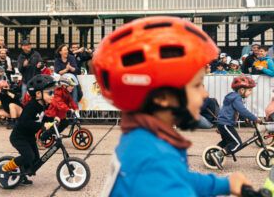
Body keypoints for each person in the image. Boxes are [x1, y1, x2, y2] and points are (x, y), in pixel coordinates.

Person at [94, 16, 251, 197]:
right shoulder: (153, 160)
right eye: (197, 85)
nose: (205, 94)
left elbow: (178, 177)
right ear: (162, 97)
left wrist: (225, 183)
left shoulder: (144, 140)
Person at [0, 74, 59, 188]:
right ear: (38, 94)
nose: (53, 95)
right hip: (19, 137)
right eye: (50, 93)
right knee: (28, 156)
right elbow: (25, 122)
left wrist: (51, 119)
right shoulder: (31, 106)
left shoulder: (42, 105)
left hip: (29, 137)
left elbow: (40, 117)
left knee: (35, 159)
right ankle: (5, 169)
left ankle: (21, 175)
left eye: (53, 92)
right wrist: (42, 126)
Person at [211, 76, 262, 170]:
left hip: (223, 123)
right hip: (226, 124)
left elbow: (234, 111)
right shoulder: (237, 98)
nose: (250, 93)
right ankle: (218, 155)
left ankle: (213, 153)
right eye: (250, 90)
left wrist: (246, 119)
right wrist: (255, 118)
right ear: (242, 90)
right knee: (237, 143)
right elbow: (243, 110)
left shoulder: (232, 97)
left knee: (228, 141)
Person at [40, 74, 78, 144]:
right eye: (71, 86)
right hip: (52, 112)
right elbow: (59, 103)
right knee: (53, 127)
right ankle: (42, 139)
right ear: (65, 85)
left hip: (60, 113)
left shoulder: (66, 92)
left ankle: (55, 134)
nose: (72, 88)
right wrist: (68, 109)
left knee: (65, 122)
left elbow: (71, 101)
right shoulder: (58, 92)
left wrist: (75, 108)